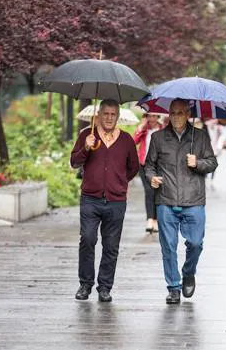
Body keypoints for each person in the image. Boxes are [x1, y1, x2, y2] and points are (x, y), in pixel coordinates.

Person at [144, 99, 218, 304]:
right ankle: (173, 287)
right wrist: (152, 178)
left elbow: (213, 163)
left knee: (195, 243)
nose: (176, 117)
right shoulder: (158, 138)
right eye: (173, 113)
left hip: (193, 198)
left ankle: (188, 272)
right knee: (168, 246)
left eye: (180, 113)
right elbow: (149, 166)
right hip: (166, 199)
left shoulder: (200, 137)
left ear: (188, 114)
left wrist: (198, 163)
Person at [70, 99, 139, 302]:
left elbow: (133, 167)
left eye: (112, 114)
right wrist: (86, 148)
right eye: (105, 114)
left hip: (116, 201)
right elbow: (74, 162)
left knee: (111, 245)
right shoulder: (86, 135)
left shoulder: (126, 140)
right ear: (98, 115)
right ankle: (85, 284)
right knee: (88, 239)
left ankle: (105, 287)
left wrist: (118, 182)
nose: (109, 118)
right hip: (90, 198)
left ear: (117, 117)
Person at [133, 113, 164, 234]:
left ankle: (156, 220)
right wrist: (140, 128)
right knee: (149, 191)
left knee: (157, 191)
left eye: (154, 116)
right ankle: (150, 219)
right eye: (149, 116)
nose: (151, 119)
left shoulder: (163, 130)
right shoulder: (143, 130)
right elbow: (133, 141)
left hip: (158, 166)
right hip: (144, 164)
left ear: (157, 117)